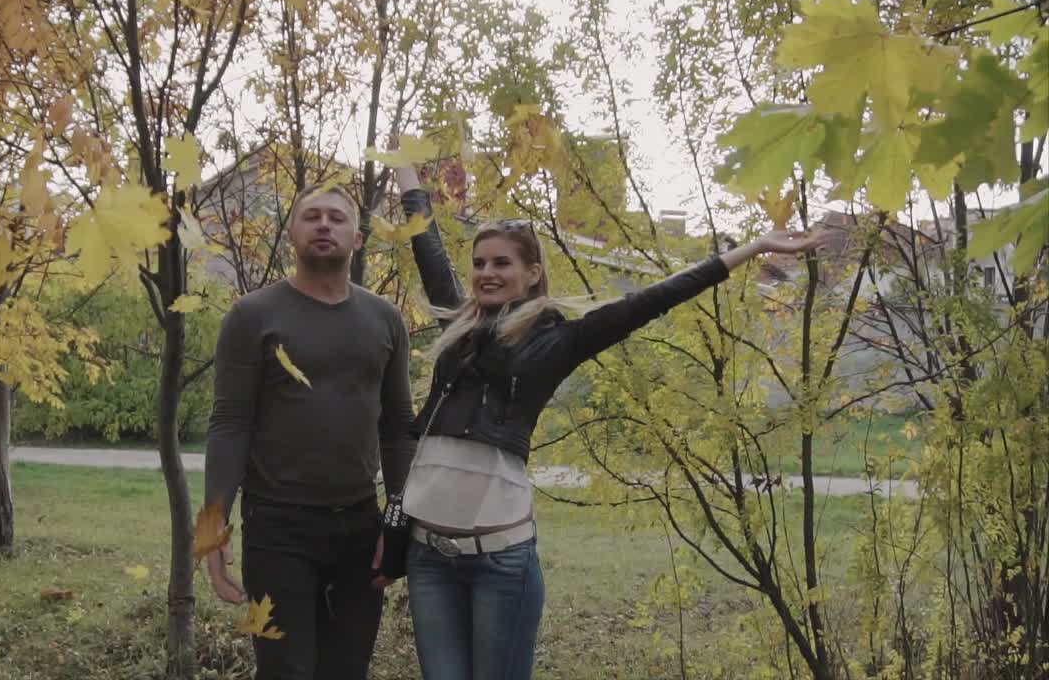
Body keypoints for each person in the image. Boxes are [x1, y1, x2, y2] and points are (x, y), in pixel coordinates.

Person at [387, 162, 825, 680]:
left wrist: (752, 248)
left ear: (532, 274)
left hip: (499, 562)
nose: (486, 272)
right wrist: (405, 170)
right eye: (480, 262)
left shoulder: (556, 341)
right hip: (428, 558)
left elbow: (654, 298)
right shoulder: (456, 325)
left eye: (501, 262)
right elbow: (429, 246)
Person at [202, 182, 418, 680]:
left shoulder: (385, 320)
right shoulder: (251, 316)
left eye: (337, 218)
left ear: (357, 239)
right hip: (277, 530)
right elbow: (230, 423)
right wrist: (212, 522)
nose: (324, 224)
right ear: (292, 235)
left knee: (346, 671)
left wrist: (398, 519)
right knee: (284, 672)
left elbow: (398, 427)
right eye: (312, 216)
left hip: (360, 530)